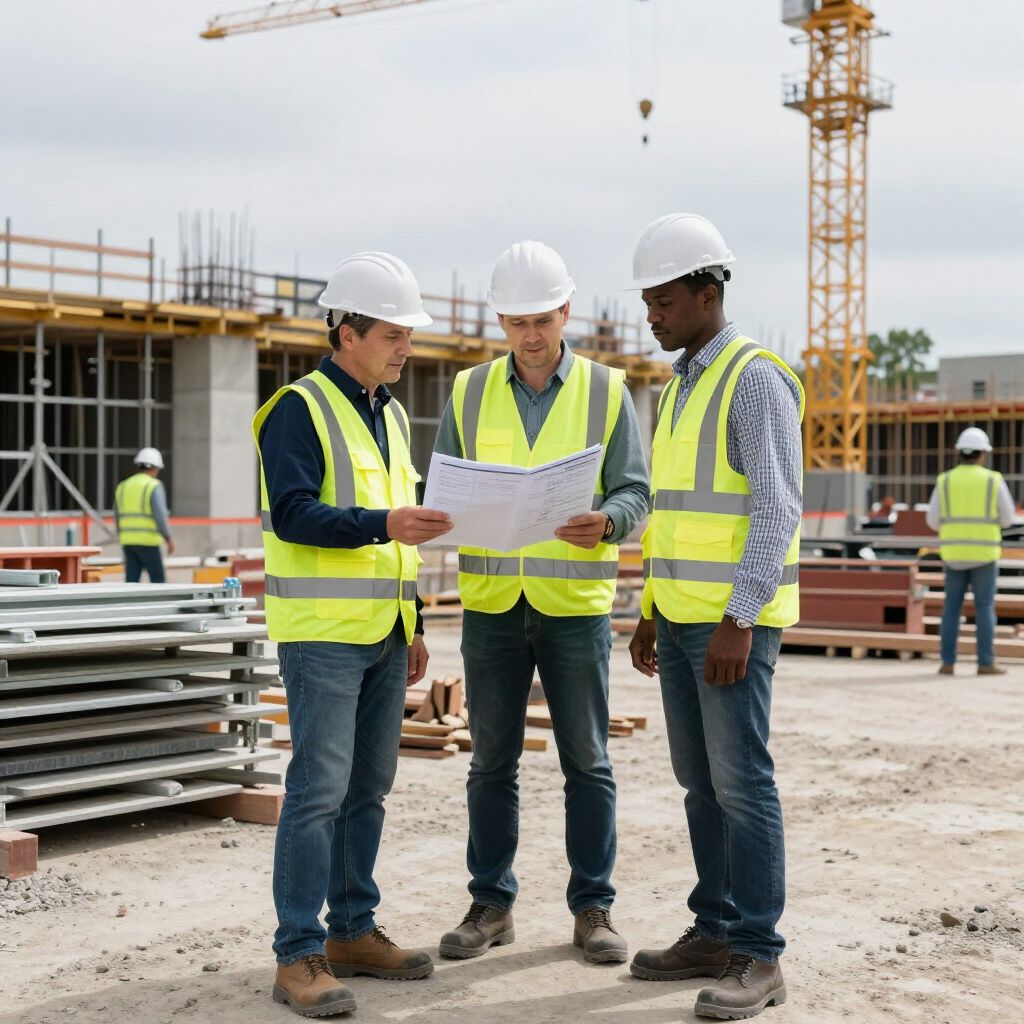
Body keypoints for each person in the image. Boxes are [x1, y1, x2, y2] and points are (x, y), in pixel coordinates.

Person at [433, 241, 650, 965]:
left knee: (586, 760)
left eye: (543, 318)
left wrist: (610, 521)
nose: (530, 334)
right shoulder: (467, 392)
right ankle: (491, 904)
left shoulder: (606, 390)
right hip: (494, 601)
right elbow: (445, 490)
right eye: (516, 320)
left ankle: (594, 907)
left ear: (566, 311)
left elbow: (636, 491)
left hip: (572, 601)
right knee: (490, 762)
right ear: (500, 319)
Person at [254, 252, 453, 1018]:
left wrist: (417, 624)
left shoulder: (391, 414)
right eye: (394, 334)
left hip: (383, 630)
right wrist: (382, 525)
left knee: (368, 790)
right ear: (347, 331)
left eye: (409, 335)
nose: (407, 347)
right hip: (323, 636)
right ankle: (298, 954)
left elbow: (402, 533)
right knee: (316, 792)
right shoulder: (297, 410)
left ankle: (351, 931)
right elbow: (293, 513)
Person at [625, 213, 803, 1021]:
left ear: (707, 292)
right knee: (700, 784)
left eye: (664, 301)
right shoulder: (681, 385)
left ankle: (759, 955)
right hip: (684, 618)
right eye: (647, 303)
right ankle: (714, 927)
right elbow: (672, 515)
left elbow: (775, 508)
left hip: (733, 624)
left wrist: (739, 617)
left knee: (742, 784)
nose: (652, 316)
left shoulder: (753, 377)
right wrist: (651, 612)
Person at [927, 427, 1015, 676]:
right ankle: (985, 662)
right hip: (984, 556)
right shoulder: (993, 480)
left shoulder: (945, 480)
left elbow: (932, 521)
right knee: (984, 608)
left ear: (959, 453)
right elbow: (1008, 519)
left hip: (954, 555)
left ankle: (947, 662)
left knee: (951, 610)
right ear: (982, 454)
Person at [115, 447, 174, 583]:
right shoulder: (153, 485)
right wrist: (168, 538)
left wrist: (121, 536)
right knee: (158, 582)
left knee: (131, 583)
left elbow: (117, 516)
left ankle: (129, 605)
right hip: (149, 542)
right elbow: (160, 515)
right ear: (155, 467)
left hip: (128, 542)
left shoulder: (123, 486)